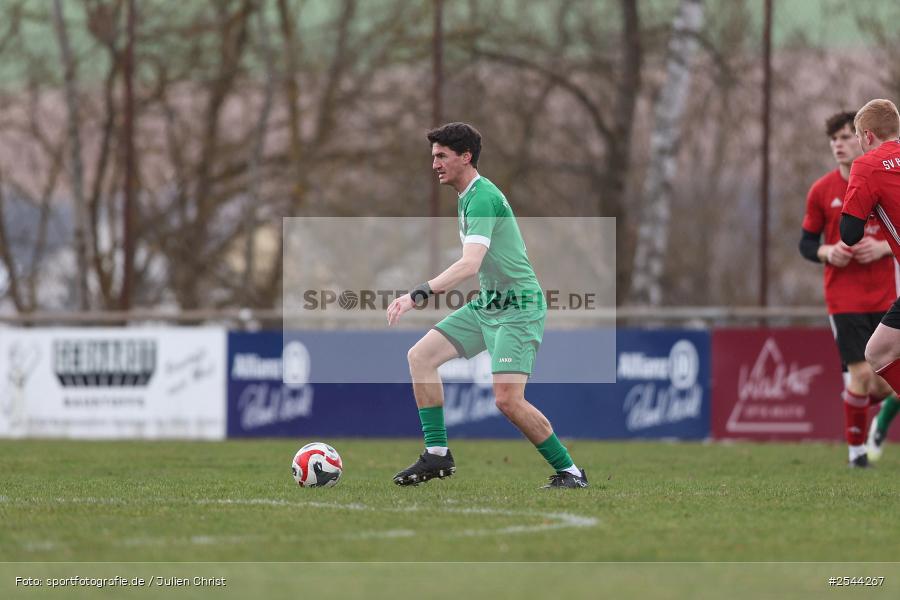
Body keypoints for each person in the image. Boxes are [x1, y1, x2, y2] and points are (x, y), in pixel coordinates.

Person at [386, 122, 587, 488]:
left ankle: (571, 473)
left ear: (466, 157)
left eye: (442, 156)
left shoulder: (481, 197)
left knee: (508, 400)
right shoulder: (467, 196)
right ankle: (436, 454)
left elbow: (469, 265)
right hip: (489, 304)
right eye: (433, 156)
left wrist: (418, 294)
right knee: (421, 357)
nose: (435, 164)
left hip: (519, 307)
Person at [800, 110, 899, 466]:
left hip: (886, 294)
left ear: (865, 137)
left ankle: (873, 424)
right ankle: (858, 454)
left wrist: (884, 246)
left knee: (877, 380)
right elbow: (806, 244)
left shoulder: (877, 172)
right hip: (844, 300)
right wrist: (829, 252)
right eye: (835, 139)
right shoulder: (822, 191)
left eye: (847, 136)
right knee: (862, 373)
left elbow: (860, 230)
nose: (841, 144)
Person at [841, 99, 900, 461]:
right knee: (879, 349)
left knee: (876, 353)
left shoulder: (867, 164)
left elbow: (849, 232)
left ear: (866, 135)